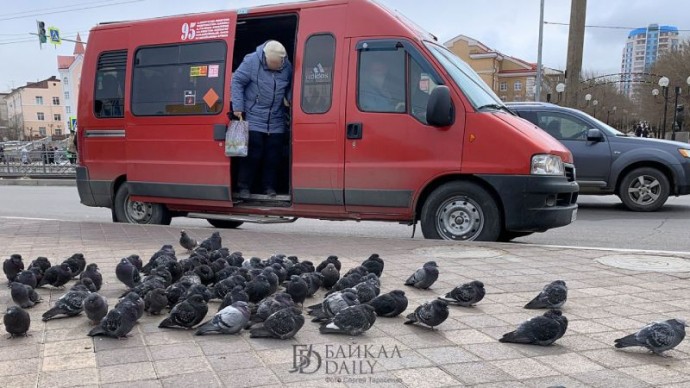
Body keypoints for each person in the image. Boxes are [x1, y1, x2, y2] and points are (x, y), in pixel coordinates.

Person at [231, 40, 293, 199]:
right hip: (254, 116)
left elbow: (290, 87)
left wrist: (290, 99)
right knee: (253, 154)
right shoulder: (251, 61)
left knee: (273, 156)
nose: (276, 67)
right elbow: (237, 81)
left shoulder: (287, 67)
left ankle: (269, 187)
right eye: (272, 64)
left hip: (276, 119)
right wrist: (238, 106)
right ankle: (243, 187)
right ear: (265, 57)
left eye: (278, 64)